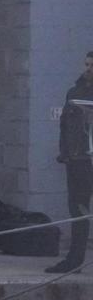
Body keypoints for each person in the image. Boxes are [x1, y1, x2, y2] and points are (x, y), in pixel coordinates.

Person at [48, 53, 93, 273]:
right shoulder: (75, 92)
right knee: (78, 210)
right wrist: (65, 153)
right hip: (79, 161)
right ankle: (74, 260)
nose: (88, 69)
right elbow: (64, 126)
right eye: (87, 64)